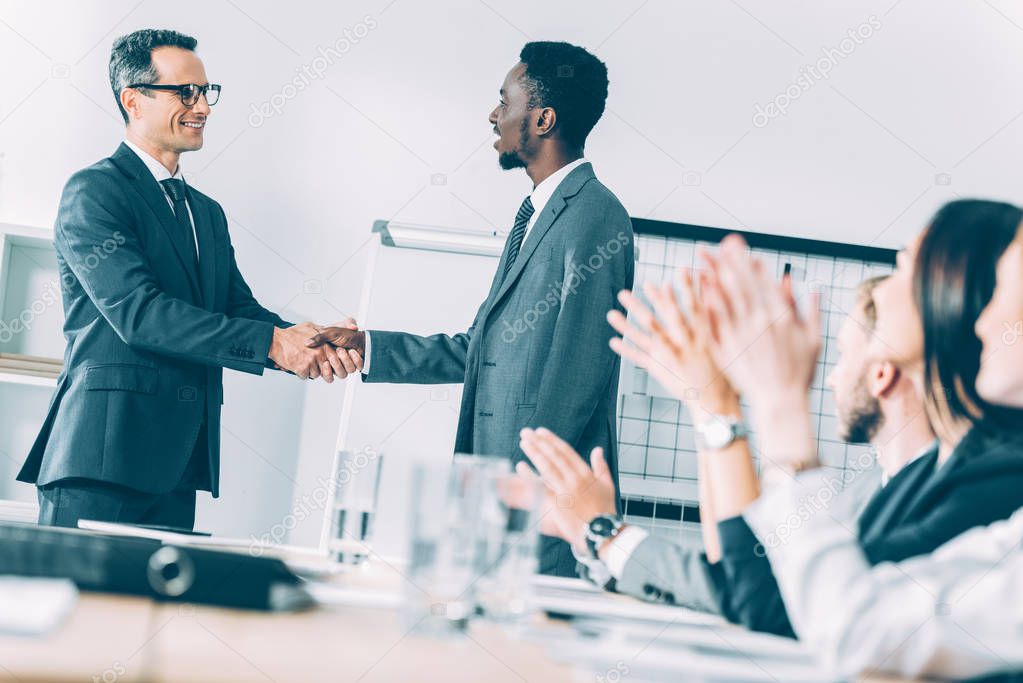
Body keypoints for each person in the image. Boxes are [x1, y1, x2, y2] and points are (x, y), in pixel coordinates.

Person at [310, 42, 634, 576]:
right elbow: (482, 349)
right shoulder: (536, 213)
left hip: (539, 511)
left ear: (543, 118)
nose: (493, 115)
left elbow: (579, 372)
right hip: (498, 500)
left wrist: (517, 496)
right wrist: (367, 348)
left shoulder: (594, 216)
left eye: (504, 101)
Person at [17, 29, 360, 530]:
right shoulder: (94, 192)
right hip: (100, 465)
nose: (203, 106)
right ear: (133, 100)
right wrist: (275, 343)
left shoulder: (207, 213)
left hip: (178, 466)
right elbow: (141, 315)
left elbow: (236, 311)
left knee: (157, 611)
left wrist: (310, 341)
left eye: (205, 91)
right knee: (85, 610)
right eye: (185, 92)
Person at [714, 204, 1023, 679]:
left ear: (950, 290)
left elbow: (845, 625)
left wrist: (767, 407)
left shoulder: (1002, 475)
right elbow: (854, 611)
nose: (989, 321)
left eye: (902, 266)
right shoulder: (925, 473)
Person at [515, 274, 935, 612]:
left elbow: (753, 596)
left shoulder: (922, 504)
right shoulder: (871, 487)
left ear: (882, 375)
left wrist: (605, 535)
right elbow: (740, 569)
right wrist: (708, 404)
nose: (832, 377)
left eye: (842, 355)